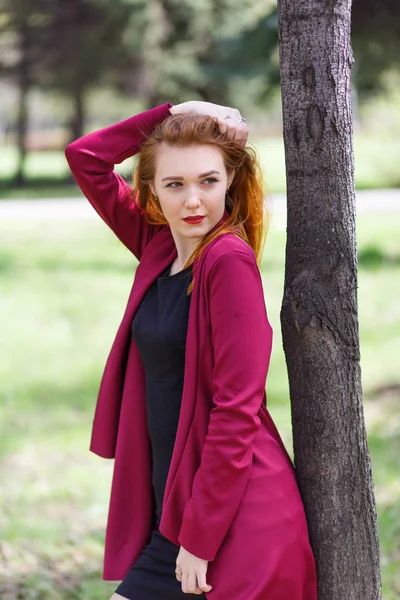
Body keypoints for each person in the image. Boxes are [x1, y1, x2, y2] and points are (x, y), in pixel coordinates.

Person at [65, 100, 318, 600]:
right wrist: (177, 110)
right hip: (175, 517)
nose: (193, 201)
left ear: (229, 182)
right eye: (174, 184)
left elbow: (236, 411)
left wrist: (199, 541)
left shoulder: (227, 262)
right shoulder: (160, 248)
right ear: (153, 190)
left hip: (235, 523)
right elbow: (86, 158)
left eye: (208, 181)